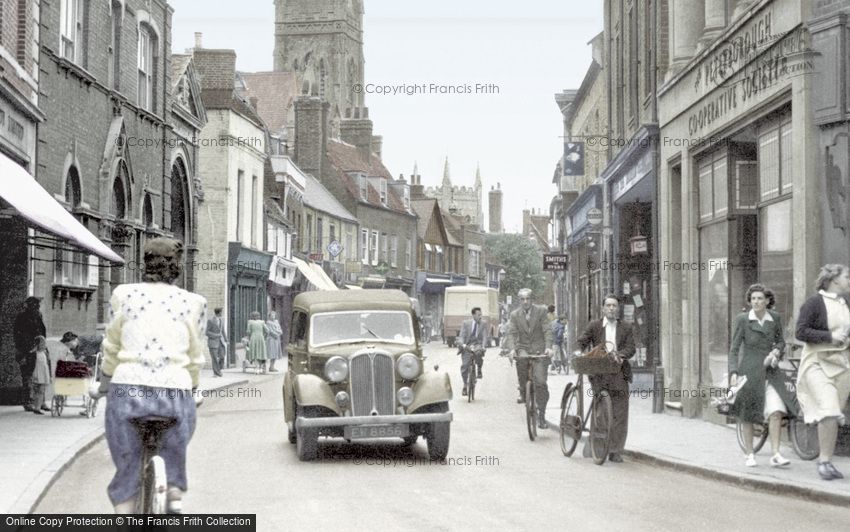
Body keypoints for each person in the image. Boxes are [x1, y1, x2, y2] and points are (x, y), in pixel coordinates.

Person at [95, 237, 207, 513]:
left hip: (127, 390)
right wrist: (193, 387)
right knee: (178, 437)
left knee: (127, 461)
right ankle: (174, 489)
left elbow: (111, 344)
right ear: (177, 266)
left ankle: (124, 509)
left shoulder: (123, 294)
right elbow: (195, 356)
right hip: (175, 392)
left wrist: (104, 381)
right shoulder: (194, 302)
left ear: (144, 263)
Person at [728, 284, 795, 468]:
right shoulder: (743, 320)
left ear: (767, 301)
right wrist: (733, 372)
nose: (756, 302)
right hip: (749, 371)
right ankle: (750, 454)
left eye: (760, 298)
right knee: (748, 414)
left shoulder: (775, 318)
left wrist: (775, 352)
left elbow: (781, 341)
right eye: (753, 299)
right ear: (750, 301)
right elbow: (734, 349)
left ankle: (775, 453)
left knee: (776, 411)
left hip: (770, 372)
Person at [795, 264, 850, 481]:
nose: (849, 280)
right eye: (847, 276)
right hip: (817, 363)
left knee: (834, 413)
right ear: (834, 280)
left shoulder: (846, 303)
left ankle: (827, 460)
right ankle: (824, 461)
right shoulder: (814, 303)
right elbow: (801, 331)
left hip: (842, 364)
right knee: (829, 409)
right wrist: (830, 337)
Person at [576, 294, 635, 463]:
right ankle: (599, 447)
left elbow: (631, 348)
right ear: (603, 308)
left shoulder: (626, 327)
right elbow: (582, 340)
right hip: (600, 373)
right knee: (601, 412)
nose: (611, 308)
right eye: (608, 305)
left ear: (618, 309)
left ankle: (616, 450)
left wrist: (621, 355)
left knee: (620, 412)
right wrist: (579, 351)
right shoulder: (595, 326)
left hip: (619, 372)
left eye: (614, 306)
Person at [506, 288, 554, 429]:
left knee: (541, 382)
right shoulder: (515, 315)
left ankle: (542, 414)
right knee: (520, 361)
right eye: (522, 299)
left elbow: (547, 329)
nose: (525, 302)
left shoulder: (541, 311)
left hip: (539, 350)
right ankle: (522, 389)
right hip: (523, 348)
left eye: (527, 299)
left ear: (532, 299)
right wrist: (512, 349)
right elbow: (511, 334)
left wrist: (549, 347)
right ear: (519, 300)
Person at [13, 296, 46, 412]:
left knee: (40, 375)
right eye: (35, 305)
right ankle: (28, 401)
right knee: (27, 376)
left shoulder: (38, 315)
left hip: (37, 349)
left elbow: (42, 330)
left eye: (37, 306)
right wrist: (24, 349)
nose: (37, 307)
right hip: (26, 350)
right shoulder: (22, 317)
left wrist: (42, 344)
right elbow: (18, 335)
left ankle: (40, 401)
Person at [61, 331, 105, 415]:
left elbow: (102, 338)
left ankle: (93, 407)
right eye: (66, 345)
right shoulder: (73, 348)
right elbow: (78, 359)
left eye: (68, 344)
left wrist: (101, 351)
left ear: (74, 340)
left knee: (94, 385)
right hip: (87, 364)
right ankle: (87, 404)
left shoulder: (86, 339)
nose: (68, 346)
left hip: (95, 362)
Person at [457, 307, 488, 396]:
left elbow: (485, 336)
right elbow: (461, 336)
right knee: (464, 366)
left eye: (481, 315)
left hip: (478, 345)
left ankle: (479, 369)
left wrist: (483, 346)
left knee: (478, 354)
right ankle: (464, 385)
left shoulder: (483, 323)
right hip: (467, 345)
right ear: (473, 315)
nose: (480, 317)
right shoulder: (466, 323)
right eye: (479, 315)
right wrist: (463, 345)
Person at [30, 336, 52, 415]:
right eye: (42, 343)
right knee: (37, 391)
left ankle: (38, 407)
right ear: (37, 344)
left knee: (41, 390)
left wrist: (50, 375)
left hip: (44, 373)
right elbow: (31, 365)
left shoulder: (45, 353)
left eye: (44, 343)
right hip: (36, 373)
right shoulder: (33, 354)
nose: (44, 345)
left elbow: (48, 364)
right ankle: (36, 407)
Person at [206, 308, 228, 377]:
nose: (222, 313)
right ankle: (217, 373)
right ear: (218, 313)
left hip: (220, 342)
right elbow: (207, 332)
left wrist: (226, 340)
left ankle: (218, 370)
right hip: (213, 343)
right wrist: (216, 335)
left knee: (222, 356)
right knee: (215, 358)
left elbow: (223, 331)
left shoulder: (221, 320)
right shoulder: (210, 321)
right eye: (221, 312)